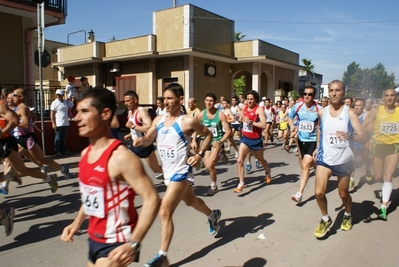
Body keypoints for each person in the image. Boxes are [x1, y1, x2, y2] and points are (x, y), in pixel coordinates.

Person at [61, 87, 160, 267]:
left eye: (84, 111)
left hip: (117, 241)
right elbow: (91, 195)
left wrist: (134, 243)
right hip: (94, 237)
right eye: (76, 112)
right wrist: (76, 223)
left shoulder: (120, 157)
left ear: (105, 114)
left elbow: (152, 198)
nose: (77, 118)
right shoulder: (85, 154)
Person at [133, 83, 221, 267]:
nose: (166, 102)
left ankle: (163, 256)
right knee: (191, 201)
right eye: (164, 98)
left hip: (181, 171)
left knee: (165, 212)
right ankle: (212, 215)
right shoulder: (158, 120)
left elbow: (208, 135)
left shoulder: (187, 121)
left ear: (180, 100)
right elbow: (149, 138)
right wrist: (141, 141)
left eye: (170, 98)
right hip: (168, 172)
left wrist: (198, 155)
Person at [313, 80, 366, 238]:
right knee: (319, 192)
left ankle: (348, 214)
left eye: (337, 90)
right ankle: (325, 218)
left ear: (344, 92)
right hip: (325, 158)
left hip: (344, 159)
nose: (334, 94)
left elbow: (362, 136)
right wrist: (317, 147)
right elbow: (320, 130)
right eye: (331, 91)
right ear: (328, 92)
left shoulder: (349, 113)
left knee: (343, 194)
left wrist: (349, 136)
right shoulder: (322, 112)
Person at [12, 88, 70, 179]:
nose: (12, 97)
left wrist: (14, 123)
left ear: (21, 97)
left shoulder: (23, 108)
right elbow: (32, 118)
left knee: (41, 159)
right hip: (18, 137)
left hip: (26, 138)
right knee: (15, 157)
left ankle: (61, 168)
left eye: (14, 95)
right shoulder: (16, 108)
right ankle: (47, 173)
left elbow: (26, 124)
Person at [363, 88, 399, 221]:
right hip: (378, 146)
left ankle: (383, 207)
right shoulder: (377, 110)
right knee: (378, 176)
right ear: (383, 98)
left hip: (394, 146)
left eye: (392, 95)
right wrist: (367, 140)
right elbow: (363, 124)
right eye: (387, 95)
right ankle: (383, 191)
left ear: (396, 98)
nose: (390, 98)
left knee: (388, 176)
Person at [288, 86, 322, 203]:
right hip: (300, 139)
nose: (307, 96)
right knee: (303, 163)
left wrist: (319, 144)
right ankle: (316, 165)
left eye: (310, 94)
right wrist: (292, 127)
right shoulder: (298, 106)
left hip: (313, 140)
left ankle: (299, 193)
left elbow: (323, 125)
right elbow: (289, 117)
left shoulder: (319, 109)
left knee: (306, 164)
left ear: (314, 96)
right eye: (305, 94)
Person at [234, 90, 271, 192]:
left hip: (256, 139)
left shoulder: (259, 109)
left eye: (251, 99)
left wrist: (252, 122)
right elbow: (242, 118)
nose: (249, 101)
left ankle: (267, 170)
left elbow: (263, 125)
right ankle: (241, 183)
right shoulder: (244, 107)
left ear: (255, 100)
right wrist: (240, 118)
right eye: (248, 99)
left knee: (260, 160)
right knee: (240, 160)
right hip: (245, 138)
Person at [123, 90, 163, 179]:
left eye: (128, 101)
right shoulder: (130, 112)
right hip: (134, 144)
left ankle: (171, 173)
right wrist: (130, 134)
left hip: (144, 145)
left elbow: (150, 128)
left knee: (155, 169)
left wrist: (132, 126)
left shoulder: (142, 112)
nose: (125, 103)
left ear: (135, 100)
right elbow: (137, 127)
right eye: (125, 101)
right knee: (129, 166)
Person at [196, 93, 231, 196]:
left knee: (211, 164)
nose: (209, 102)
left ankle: (213, 186)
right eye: (207, 100)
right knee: (207, 166)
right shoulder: (202, 114)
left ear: (215, 102)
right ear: (204, 101)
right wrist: (194, 139)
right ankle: (221, 156)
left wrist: (220, 142)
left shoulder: (220, 114)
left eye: (211, 101)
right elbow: (196, 128)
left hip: (217, 141)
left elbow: (228, 131)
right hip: (207, 142)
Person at [50, 89, 74, 156]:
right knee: (58, 138)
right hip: (58, 123)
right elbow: (52, 113)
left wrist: (69, 101)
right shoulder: (54, 103)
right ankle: (57, 151)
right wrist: (53, 123)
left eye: (60, 95)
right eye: (57, 95)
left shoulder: (65, 102)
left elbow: (70, 107)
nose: (58, 96)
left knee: (63, 138)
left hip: (65, 122)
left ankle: (64, 150)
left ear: (62, 95)